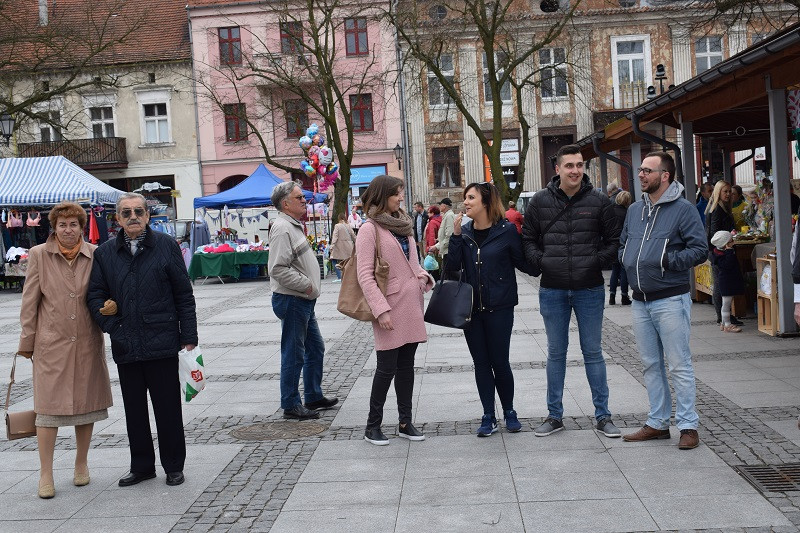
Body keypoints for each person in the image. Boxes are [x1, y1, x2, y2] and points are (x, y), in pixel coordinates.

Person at [88, 192, 197, 487]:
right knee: (134, 410)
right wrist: (113, 327)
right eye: (126, 213)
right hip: (126, 342)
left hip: (161, 340)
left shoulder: (166, 246)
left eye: (139, 211)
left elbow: (183, 295)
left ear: (148, 216)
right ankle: (142, 466)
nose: (133, 217)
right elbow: (94, 296)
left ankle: (174, 465)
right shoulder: (105, 253)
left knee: (168, 408)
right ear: (118, 219)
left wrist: (188, 335)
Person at [521, 144, 621, 439]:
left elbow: (614, 241)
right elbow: (528, 239)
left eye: (579, 165)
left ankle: (603, 416)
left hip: (589, 288)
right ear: (558, 169)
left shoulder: (600, 201)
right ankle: (554, 416)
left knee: (593, 352)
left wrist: (595, 262)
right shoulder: (539, 201)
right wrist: (543, 263)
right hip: (553, 289)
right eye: (569, 166)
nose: (575, 170)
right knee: (556, 353)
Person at [18, 202, 113, 499]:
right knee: (47, 411)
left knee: (86, 407)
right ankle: (45, 473)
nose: (68, 230)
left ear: (82, 228)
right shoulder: (38, 255)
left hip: (86, 340)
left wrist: (112, 305)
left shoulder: (97, 255)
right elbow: (29, 302)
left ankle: (81, 463)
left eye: (73, 225)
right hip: (52, 344)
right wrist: (27, 342)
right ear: (54, 228)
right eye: (62, 225)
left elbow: (106, 290)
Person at [619, 151, 707, 450]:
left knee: (679, 365)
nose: (640, 174)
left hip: (670, 298)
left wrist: (666, 260)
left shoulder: (684, 209)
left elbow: (699, 250)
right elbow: (623, 244)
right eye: (640, 170)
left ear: (664, 176)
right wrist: (627, 258)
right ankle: (657, 423)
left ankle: (688, 425)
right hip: (640, 300)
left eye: (647, 170)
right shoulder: (634, 209)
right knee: (650, 364)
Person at [447, 182, 535, 437]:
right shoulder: (463, 233)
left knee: (500, 362)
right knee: (481, 363)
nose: (466, 202)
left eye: (471, 197)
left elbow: (522, 262)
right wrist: (454, 236)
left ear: (485, 202)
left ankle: (509, 411)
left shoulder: (506, 231)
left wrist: (548, 262)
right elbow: (452, 268)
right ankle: (488, 415)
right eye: (465, 198)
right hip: (471, 309)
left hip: (500, 307)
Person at [356, 175, 434, 445]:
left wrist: (423, 276)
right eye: (396, 194)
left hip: (411, 304)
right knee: (386, 368)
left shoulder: (403, 224)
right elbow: (364, 275)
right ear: (382, 195)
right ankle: (372, 425)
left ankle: (405, 422)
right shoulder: (369, 229)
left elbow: (413, 263)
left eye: (401, 193)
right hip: (389, 306)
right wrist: (381, 310)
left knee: (406, 367)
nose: (401, 198)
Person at [267, 182, 338, 420]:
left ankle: (313, 395)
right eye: (299, 198)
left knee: (315, 348)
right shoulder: (282, 228)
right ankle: (290, 403)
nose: (304, 200)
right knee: (294, 353)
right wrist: (306, 284)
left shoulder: (292, 226)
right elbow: (277, 269)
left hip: (303, 299)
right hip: (294, 299)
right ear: (285, 203)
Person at [706, 181, 743, 326]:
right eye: (725, 192)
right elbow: (714, 234)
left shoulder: (724, 208)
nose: (728, 194)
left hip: (720, 249)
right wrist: (727, 240)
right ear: (718, 193)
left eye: (730, 192)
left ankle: (725, 315)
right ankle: (722, 317)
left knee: (724, 283)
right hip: (718, 251)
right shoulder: (717, 209)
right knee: (721, 283)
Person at [710, 230, 745, 332]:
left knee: (727, 303)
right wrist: (730, 252)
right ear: (725, 245)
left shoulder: (720, 253)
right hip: (726, 282)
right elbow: (728, 265)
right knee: (726, 304)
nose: (733, 243)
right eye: (731, 241)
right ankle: (728, 324)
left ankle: (724, 323)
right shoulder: (722, 255)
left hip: (729, 281)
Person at [609, 190, 632, 306]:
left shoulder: (611, 211)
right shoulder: (628, 213)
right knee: (623, 271)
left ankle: (612, 297)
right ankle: (624, 296)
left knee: (614, 270)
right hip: (624, 244)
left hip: (612, 244)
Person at [329, 213, 355, 283]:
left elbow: (335, 236)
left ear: (339, 218)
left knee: (333, 260)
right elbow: (353, 236)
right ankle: (348, 276)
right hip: (349, 246)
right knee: (347, 262)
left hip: (339, 247)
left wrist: (332, 246)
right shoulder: (348, 226)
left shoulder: (337, 226)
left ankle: (339, 277)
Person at [430, 197, 455, 270]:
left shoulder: (449, 216)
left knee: (447, 273)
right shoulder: (446, 215)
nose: (439, 207)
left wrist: (439, 246)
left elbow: (449, 235)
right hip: (445, 250)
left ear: (444, 206)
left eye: (440, 205)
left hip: (447, 251)